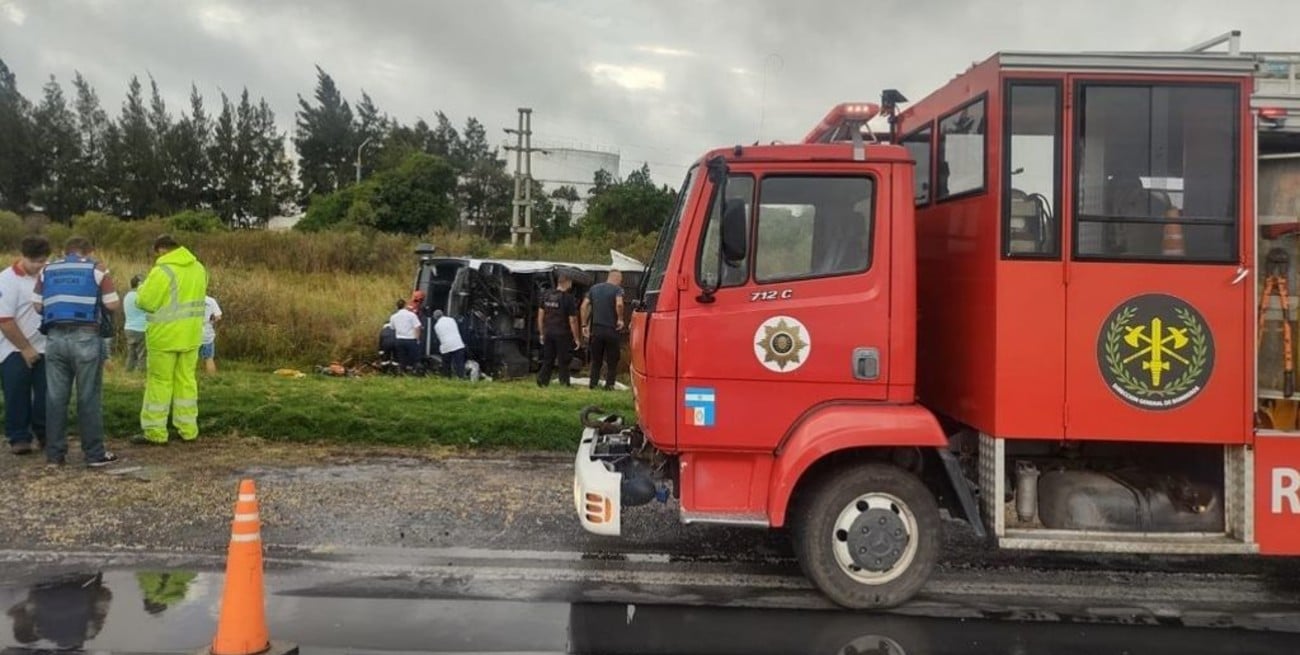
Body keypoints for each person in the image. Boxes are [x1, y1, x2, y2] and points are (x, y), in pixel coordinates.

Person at [33, 236, 120, 468]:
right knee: (88, 397)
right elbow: (112, 304)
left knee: (55, 398)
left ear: (65, 251)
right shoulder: (97, 269)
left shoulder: (47, 270)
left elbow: (37, 305)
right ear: (88, 251)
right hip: (86, 337)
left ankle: (55, 456)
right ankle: (94, 454)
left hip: (54, 338)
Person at [132, 234, 208, 445]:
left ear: (161, 250)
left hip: (164, 337)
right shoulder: (199, 268)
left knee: (159, 383)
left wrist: (140, 289)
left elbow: (145, 302)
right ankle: (188, 429)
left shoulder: (162, 270)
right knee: (186, 382)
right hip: (191, 335)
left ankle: (156, 432)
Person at [0, 236, 50, 456]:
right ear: (23, 256)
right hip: (13, 347)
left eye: (43, 260)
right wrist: (26, 348)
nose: (39, 265)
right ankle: (19, 436)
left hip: (46, 346)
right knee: (16, 393)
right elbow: (5, 320)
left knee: (47, 394)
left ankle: (45, 433)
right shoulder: (7, 280)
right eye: (34, 261)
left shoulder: (48, 275)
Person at [581, 269, 625, 390]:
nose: (621, 283)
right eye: (620, 280)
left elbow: (584, 305)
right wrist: (620, 319)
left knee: (596, 360)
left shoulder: (594, 289)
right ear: (616, 278)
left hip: (596, 329)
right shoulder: (617, 290)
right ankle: (609, 385)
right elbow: (619, 304)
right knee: (612, 360)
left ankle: (593, 384)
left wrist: (584, 325)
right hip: (612, 329)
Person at [536, 272, 580, 387]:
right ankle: (564, 383)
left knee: (548, 359)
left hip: (548, 332)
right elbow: (573, 320)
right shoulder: (568, 298)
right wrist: (576, 338)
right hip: (562, 333)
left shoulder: (546, 295)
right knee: (563, 360)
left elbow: (540, 315)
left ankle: (542, 380)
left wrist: (541, 333)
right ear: (567, 282)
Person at [431, 309, 467, 379]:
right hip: (458, 344)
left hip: (446, 347)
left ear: (435, 317)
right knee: (459, 363)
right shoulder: (451, 320)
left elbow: (439, 337)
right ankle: (461, 377)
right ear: (442, 314)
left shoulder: (436, 326)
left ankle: (447, 377)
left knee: (446, 364)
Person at [122, 274, 147, 372]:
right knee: (142, 354)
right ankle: (140, 372)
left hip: (128, 328)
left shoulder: (127, 296)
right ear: (139, 284)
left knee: (131, 353)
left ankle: (128, 371)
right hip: (141, 328)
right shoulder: (139, 296)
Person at [389, 297, 421, 371]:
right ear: (405, 305)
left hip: (399, 340)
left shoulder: (393, 316)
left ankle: (402, 373)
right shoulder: (411, 315)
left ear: (397, 307)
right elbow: (417, 327)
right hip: (411, 339)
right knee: (413, 358)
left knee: (402, 358)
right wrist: (418, 339)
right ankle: (413, 372)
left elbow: (392, 328)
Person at [200, 295, 222, 374]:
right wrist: (210, 319)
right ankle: (211, 379)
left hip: (192, 334)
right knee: (209, 358)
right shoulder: (210, 300)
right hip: (207, 335)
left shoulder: (190, 298)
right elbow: (218, 317)